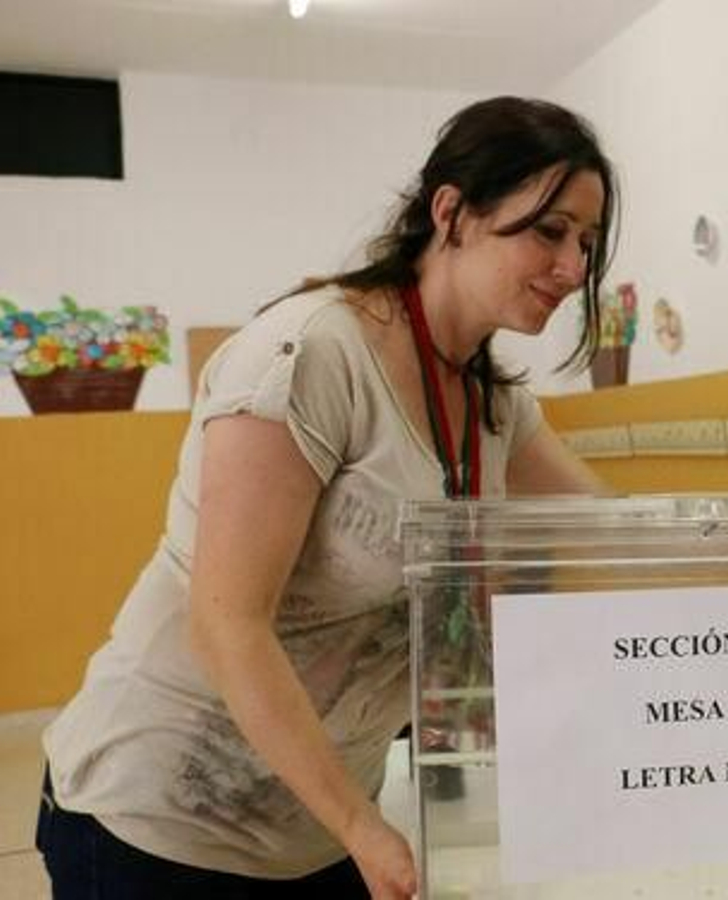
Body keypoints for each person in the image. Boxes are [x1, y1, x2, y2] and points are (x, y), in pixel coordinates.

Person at [35, 96, 618, 899]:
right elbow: (226, 622)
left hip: (314, 828)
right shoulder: (309, 354)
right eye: (550, 230)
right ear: (452, 212)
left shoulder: (495, 404)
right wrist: (359, 828)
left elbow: (611, 532)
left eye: (587, 242)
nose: (573, 268)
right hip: (157, 823)